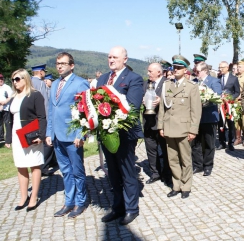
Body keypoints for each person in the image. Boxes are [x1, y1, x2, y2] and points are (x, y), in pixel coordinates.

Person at [97, 46, 144, 225]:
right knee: (113, 173)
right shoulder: (102, 79)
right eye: (109, 56)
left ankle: (132, 208)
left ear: (125, 59)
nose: (111, 59)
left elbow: (133, 106)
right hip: (106, 133)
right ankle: (118, 207)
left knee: (126, 171)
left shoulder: (134, 78)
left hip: (125, 134)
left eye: (115, 57)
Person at [46, 52, 89, 218]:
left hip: (72, 136)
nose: (59, 66)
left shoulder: (80, 83)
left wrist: (80, 133)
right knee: (65, 171)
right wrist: (49, 132)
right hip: (57, 135)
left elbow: (85, 111)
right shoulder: (55, 84)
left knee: (77, 171)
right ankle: (68, 202)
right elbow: (51, 109)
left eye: (63, 63)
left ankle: (80, 201)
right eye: (58, 63)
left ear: (71, 65)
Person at [157, 55, 201, 199]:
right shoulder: (167, 85)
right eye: (174, 67)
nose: (175, 70)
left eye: (179, 68)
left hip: (184, 129)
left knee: (186, 159)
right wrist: (161, 126)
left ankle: (186, 185)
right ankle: (176, 185)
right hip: (169, 128)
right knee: (173, 159)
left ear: (185, 70)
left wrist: (193, 130)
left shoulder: (191, 87)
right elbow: (163, 107)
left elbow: (196, 111)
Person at [5, 69, 46, 211]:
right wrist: (8, 138)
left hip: (30, 135)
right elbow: (9, 119)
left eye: (17, 79)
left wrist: (41, 135)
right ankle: (24, 197)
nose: (15, 82)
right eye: (13, 79)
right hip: (17, 136)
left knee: (34, 165)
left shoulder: (35, 95)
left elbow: (42, 117)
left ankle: (33, 197)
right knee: (20, 165)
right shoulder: (13, 97)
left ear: (25, 79)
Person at [143, 63, 171, 186]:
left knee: (165, 150)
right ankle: (155, 173)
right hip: (148, 122)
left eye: (150, 71)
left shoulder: (168, 83)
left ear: (159, 72)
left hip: (162, 122)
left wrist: (162, 100)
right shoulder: (145, 84)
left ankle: (166, 174)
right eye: (148, 71)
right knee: (151, 149)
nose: (148, 73)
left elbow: (173, 102)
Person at [191, 61, 222, 176]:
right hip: (195, 118)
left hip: (209, 116)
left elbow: (217, 95)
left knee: (209, 142)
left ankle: (208, 165)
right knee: (195, 142)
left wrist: (204, 99)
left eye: (197, 71)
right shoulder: (193, 82)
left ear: (205, 71)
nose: (196, 73)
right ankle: (198, 165)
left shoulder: (214, 81)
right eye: (195, 71)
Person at [217, 61, 240, 151]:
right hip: (220, 105)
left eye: (222, 67)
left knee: (231, 124)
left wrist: (230, 98)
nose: (220, 69)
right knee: (220, 124)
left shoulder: (234, 79)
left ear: (227, 68)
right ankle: (222, 142)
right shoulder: (218, 78)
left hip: (229, 105)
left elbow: (237, 92)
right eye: (219, 67)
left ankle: (230, 143)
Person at [0, 73, 13, 143]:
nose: (0, 80)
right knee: (0, 124)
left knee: (7, 123)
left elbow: (11, 96)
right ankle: (1, 138)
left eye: (1, 79)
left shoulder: (7, 87)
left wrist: (5, 102)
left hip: (6, 108)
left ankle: (9, 138)